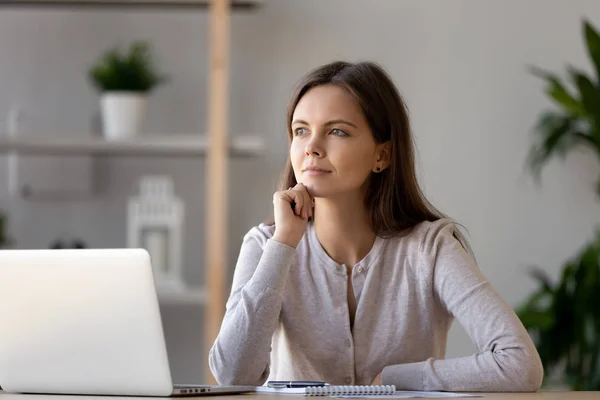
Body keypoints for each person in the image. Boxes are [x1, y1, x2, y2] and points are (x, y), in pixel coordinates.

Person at [208, 61, 543, 392]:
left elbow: (520, 364)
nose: (312, 147)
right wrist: (282, 245)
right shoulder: (266, 245)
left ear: (382, 155)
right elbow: (233, 375)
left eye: (337, 131)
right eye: (301, 130)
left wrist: (399, 379)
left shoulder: (431, 249)